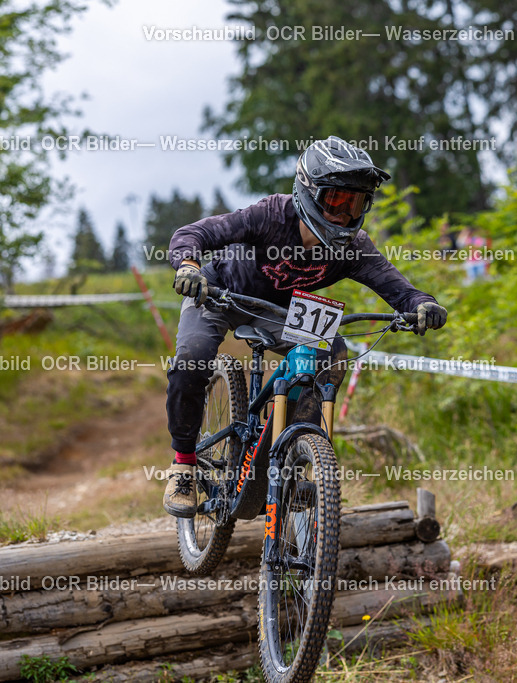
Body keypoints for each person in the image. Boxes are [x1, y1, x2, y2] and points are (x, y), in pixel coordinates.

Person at [162, 136, 448, 517]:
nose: (344, 215)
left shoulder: (353, 247)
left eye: (355, 203)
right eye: (336, 201)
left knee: (331, 352)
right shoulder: (270, 216)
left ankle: (292, 458)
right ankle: (183, 467)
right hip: (220, 293)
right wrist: (188, 266)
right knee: (192, 357)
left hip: (279, 311)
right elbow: (193, 234)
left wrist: (423, 306)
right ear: (309, 192)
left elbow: (400, 289)